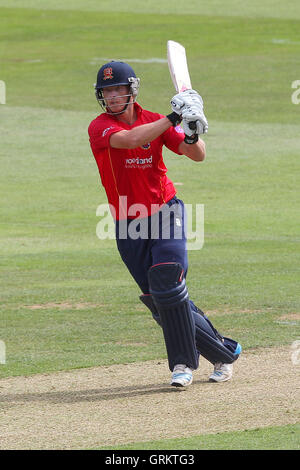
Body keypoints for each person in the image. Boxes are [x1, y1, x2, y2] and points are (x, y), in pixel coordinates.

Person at [88, 61, 241, 387]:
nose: (113, 96)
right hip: (127, 222)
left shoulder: (155, 121)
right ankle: (225, 353)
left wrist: (190, 130)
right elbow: (130, 140)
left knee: (168, 281)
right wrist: (172, 118)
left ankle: (182, 365)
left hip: (164, 213)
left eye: (118, 89)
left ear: (131, 90)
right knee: (160, 302)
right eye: (107, 91)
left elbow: (197, 154)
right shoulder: (99, 127)